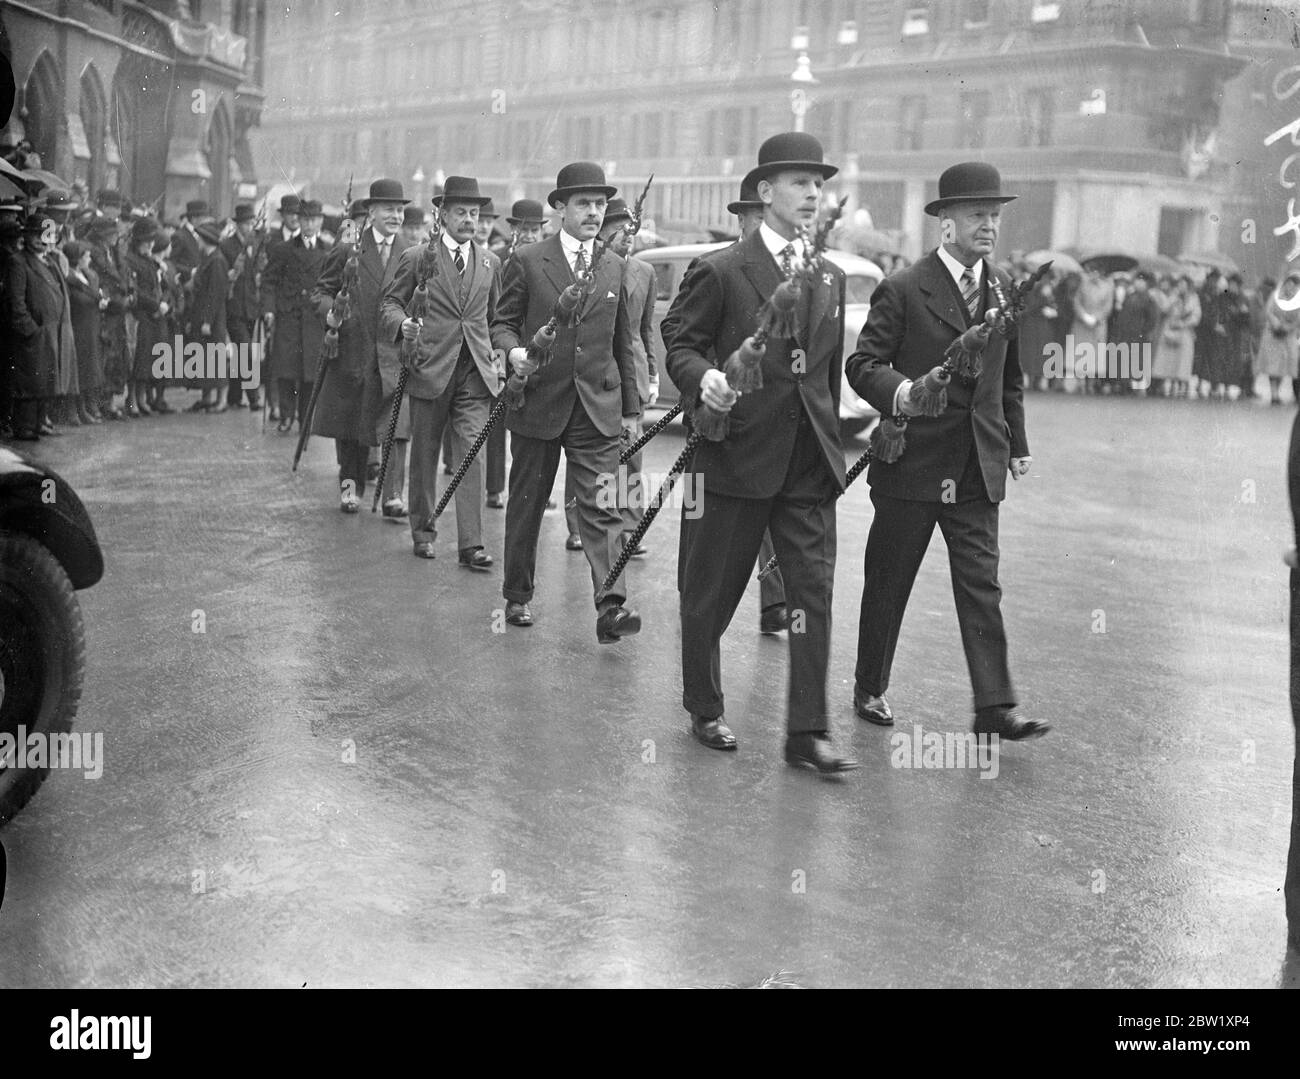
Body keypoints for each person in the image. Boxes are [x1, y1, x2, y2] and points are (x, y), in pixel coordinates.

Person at [665, 132, 857, 771]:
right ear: (765, 192)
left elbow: (823, 377)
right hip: (735, 456)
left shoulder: (830, 274)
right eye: (799, 183)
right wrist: (707, 379)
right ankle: (705, 705)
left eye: (818, 184)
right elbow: (682, 346)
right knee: (711, 591)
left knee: (812, 594)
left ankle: (807, 731)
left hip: (804, 464)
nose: (811, 194)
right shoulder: (722, 269)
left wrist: (833, 442)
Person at [845, 160, 1046, 744]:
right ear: (946, 224)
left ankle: (995, 705)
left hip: (976, 464)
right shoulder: (905, 287)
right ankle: (870, 686)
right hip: (911, 462)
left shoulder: (1004, 288)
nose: (989, 226)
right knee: (890, 578)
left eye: (995, 216)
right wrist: (903, 394)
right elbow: (864, 365)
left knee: (982, 584)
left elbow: (1008, 378)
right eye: (977, 215)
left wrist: (1017, 444)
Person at [490, 160, 641, 642]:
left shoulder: (617, 266)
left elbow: (624, 344)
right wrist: (514, 353)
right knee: (528, 502)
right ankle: (517, 593)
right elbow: (503, 322)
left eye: (600, 205)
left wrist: (633, 410)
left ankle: (611, 606)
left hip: (597, 405)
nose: (595, 213)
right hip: (539, 402)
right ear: (560, 208)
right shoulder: (531, 260)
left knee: (603, 507)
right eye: (584, 204)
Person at [381, 175, 502, 565]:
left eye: (475, 213)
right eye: (461, 212)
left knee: (471, 453)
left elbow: (495, 319)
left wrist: (500, 354)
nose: (470, 220)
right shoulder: (419, 257)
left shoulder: (489, 262)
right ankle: (423, 530)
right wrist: (403, 326)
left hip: (474, 374)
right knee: (426, 455)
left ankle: (471, 544)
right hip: (430, 369)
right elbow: (388, 306)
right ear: (443, 215)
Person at [311, 178, 414, 513]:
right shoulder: (348, 249)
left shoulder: (412, 253)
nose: (396, 216)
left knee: (397, 427)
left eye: (400, 210)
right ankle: (350, 489)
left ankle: (393, 496)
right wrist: (334, 316)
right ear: (370, 212)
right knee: (352, 430)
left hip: (394, 351)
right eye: (389, 209)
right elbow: (321, 293)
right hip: (356, 349)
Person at [563, 196, 657, 556]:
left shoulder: (644, 273)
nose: (626, 237)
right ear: (603, 234)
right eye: (619, 230)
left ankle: (631, 529)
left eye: (631, 231)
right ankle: (578, 527)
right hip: (597, 373)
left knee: (631, 453)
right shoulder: (592, 270)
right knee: (586, 454)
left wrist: (651, 375)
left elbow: (644, 331)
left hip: (630, 374)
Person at [486, 199, 548, 510]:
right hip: (502, 351)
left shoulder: (547, 262)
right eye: (522, 229)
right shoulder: (498, 260)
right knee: (496, 423)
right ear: (512, 230)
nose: (528, 235)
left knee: (535, 428)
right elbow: (494, 314)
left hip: (534, 354)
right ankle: (494, 487)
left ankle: (537, 492)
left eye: (534, 230)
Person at [263, 198, 328, 432]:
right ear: (299, 221)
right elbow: (269, 281)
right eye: (305, 220)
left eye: (313, 220)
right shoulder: (284, 250)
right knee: (287, 369)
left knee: (310, 372)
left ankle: (306, 418)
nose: (309, 225)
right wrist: (269, 310)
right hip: (289, 317)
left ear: (320, 221)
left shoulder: (327, 252)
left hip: (314, 320)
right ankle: (286, 415)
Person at [219, 204, 264, 409]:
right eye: (245, 223)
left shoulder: (255, 244)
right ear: (238, 225)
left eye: (250, 223)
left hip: (250, 306)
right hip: (234, 306)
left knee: (240, 351)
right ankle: (253, 397)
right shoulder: (227, 246)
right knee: (245, 349)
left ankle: (234, 397)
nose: (249, 227)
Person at [123, 217, 169, 418]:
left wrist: (163, 304)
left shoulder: (150, 261)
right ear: (137, 240)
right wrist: (156, 305)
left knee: (147, 360)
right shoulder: (130, 261)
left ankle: (141, 398)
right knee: (137, 359)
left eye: (152, 240)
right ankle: (132, 399)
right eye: (147, 240)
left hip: (154, 316)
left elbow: (161, 287)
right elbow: (137, 291)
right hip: (140, 315)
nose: (151, 244)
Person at [187, 221, 231, 413]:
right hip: (204, 315)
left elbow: (215, 293)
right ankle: (207, 398)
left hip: (213, 319)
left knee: (217, 358)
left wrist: (207, 321)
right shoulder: (209, 258)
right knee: (206, 358)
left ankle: (221, 400)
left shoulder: (217, 261)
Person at [63, 240, 106, 423]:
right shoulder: (68, 279)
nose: (89, 259)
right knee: (79, 369)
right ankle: (78, 409)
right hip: (78, 327)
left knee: (90, 368)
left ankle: (88, 406)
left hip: (91, 326)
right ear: (77, 259)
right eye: (86, 256)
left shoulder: (90, 275)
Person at [1110, 271, 1160, 394]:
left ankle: (1138, 386)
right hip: (1125, 333)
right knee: (1124, 358)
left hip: (1139, 334)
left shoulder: (1149, 299)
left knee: (1137, 361)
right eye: (1137, 280)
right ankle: (1122, 384)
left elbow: (1152, 319)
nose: (1139, 283)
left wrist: (1144, 331)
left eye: (1142, 281)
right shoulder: (1130, 296)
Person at [1150, 275, 1200, 398]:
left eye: (1184, 284)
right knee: (1170, 359)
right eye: (1179, 284)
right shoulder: (1173, 297)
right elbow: (1164, 309)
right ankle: (1169, 382)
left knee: (1184, 360)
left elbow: (1196, 316)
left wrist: (1183, 323)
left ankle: (1182, 384)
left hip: (1185, 331)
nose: (1181, 287)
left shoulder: (1194, 299)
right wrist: (1173, 299)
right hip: (1170, 330)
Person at [1070, 265, 1113, 393]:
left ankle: (1091, 382)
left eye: (1096, 271)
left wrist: (1097, 318)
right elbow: (1077, 302)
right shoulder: (1083, 285)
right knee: (1081, 352)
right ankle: (1080, 382)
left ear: (1101, 273)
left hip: (1098, 324)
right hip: (1082, 324)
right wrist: (1083, 316)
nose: (1093, 274)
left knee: (1095, 353)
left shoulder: (1107, 287)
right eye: (1091, 271)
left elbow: (1108, 306)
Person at [1258, 273, 1300, 405]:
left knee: (1284, 365)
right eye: (1289, 284)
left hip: (1288, 335)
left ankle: (1278, 389)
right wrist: (1276, 323)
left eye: (1294, 285)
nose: (1290, 288)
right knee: (1273, 365)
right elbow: (1268, 311)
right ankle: (1274, 392)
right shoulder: (1275, 296)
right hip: (1273, 334)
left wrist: (1288, 327)